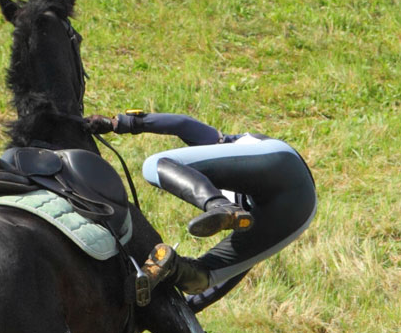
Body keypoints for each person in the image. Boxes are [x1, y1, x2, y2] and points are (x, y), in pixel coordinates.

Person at [87, 111, 317, 312]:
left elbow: (183, 125)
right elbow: (228, 275)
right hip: (298, 213)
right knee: (207, 275)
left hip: (285, 167)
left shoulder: (224, 142)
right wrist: (185, 311)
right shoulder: (244, 213)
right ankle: (172, 267)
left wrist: (120, 123)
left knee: (155, 164)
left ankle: (219, 206)